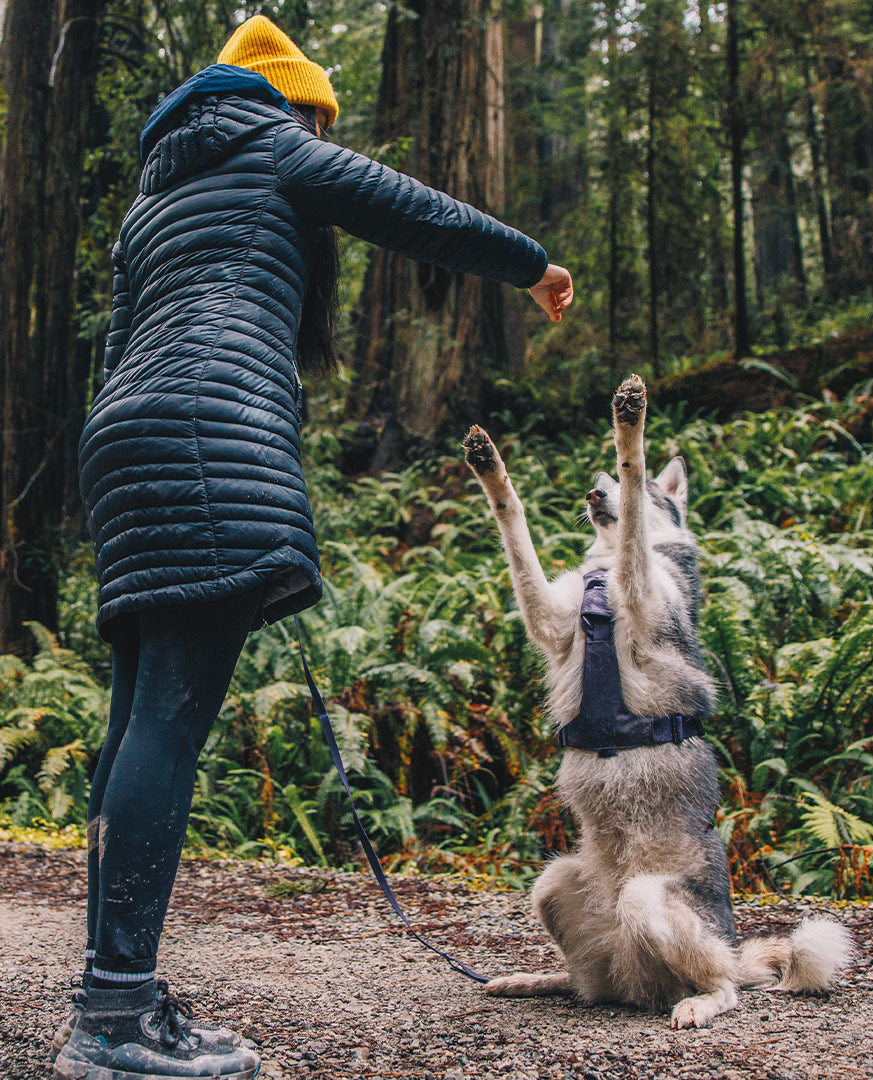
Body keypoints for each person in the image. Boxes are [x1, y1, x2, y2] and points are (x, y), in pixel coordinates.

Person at [55, 15, 573, 1080]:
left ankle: (116, 999)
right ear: (292, 102)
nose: (321, 133)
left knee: (132, 722)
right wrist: (531, 264)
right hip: (207, 427)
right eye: (320, 118)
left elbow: (114, 354)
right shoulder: (274, 140)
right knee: (168, 720)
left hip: (127, 441)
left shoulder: (152, 195)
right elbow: (410, 210)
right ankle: (111, 1025)